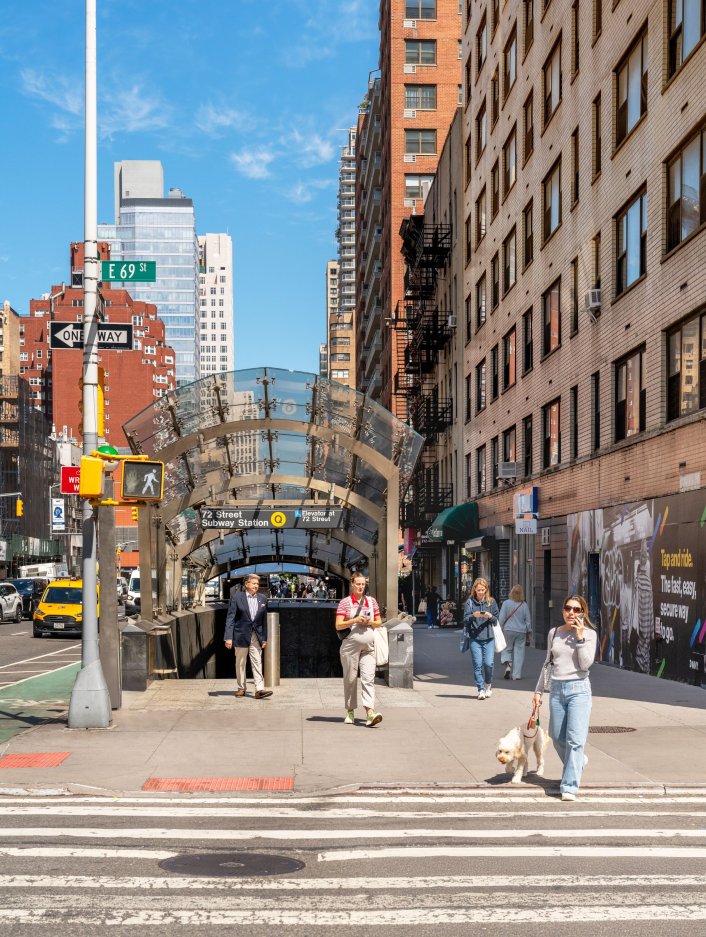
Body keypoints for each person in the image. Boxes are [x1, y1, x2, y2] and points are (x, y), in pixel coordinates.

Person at [533, 594, 598, 801]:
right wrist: (538, 691)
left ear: (583, 613)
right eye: (568, 608)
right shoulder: (554, 633)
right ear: (563, 610)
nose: (571, 613)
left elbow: (585, 664)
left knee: (575, 739)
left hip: (579, 689)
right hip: (557, 688)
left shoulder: (589, 634)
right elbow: (547, 663)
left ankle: (569, 786)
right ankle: (578, 763)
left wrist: (579, 638)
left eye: (577, 610)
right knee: (557, 736)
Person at [335, 572, 383, 727]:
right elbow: (338, 625)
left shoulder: (371, 601)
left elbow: (379, 622)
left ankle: (370, 713)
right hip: (350, 647)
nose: (361, 586)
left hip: (368, 647)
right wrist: (355, 620)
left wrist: (370, 622)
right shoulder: (344, 603)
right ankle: (350, 711)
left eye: (363, 584)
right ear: (352, 584)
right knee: (350, 680)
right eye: (358, 584)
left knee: (368, 679)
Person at [224, 574, 273, 699]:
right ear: (246, 584)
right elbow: (230, 618)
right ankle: (241, 688)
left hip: (256, 636)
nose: (256, 585)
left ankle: (259, 689)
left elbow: (263, 621)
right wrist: (228, 637)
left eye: (257, 583)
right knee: (240, 663)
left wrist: (264, 638)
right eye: (254, 583)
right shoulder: (237, 597)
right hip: (240, 635)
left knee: (257, 661)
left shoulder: (262, 599)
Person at [463, 577, 499, 700]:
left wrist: (490, 616)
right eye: (478, 590)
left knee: (488, 664)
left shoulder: (491, 602)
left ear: (486, 590)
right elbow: (465, 619)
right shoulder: (470, 602)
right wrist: (473, 616)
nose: (481, 592)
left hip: (489, 637)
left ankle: (488, 684)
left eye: (483, 590)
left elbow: (496, 620)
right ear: (474, 589)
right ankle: (481, 689)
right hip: (474, 637)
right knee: (477, 664)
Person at [498, 584, 532, 680]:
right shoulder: (524, 605)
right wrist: (528, 631)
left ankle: (508, 666)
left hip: (508, 630)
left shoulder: (506, 603)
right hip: (521, 631)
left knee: (506, 649)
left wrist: (500, 629)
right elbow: (528, 620)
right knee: (519, 652)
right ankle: (516, 675)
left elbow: (501, 618)